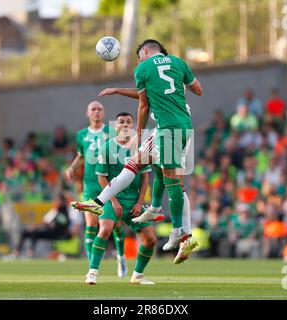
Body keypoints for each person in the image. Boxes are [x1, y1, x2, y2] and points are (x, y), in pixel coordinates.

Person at [72, 39, 201, 264]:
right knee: (137, 163)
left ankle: (182, 232)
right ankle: (115, 203)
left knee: (174, 182)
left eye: (139, 55)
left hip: (171, 130)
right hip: (173, 128)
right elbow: (197, 90)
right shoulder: (178, 63)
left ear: (145, 51)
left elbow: (144, 103)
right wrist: (118, 91)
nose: (139, 60)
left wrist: (139, 133)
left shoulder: (143, 68)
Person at [87, 112, 156, 285]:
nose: (125, 125)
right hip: (113, 200)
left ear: (133, 125)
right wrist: (114, 201)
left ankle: (137, 275)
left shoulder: (140, 148)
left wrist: (140, 203)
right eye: (121, 122)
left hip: (134, 202)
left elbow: (146, 178)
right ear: (116, 126)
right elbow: (101, 177)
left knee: (150, 239)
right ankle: (92, 272)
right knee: (104, 229)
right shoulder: (107, 147)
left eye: (129, 122)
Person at [65, 101, 127, 280]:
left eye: (100, 109)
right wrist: (71, 168)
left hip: (109, 183)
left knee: (115, 224)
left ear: (104, 113)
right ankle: (92, 266)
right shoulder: (82, 135)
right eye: (93, 109)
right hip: (90, 185)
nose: (97, 112)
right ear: (87, 113)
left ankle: (121, 256)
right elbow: (81, 156)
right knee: (91, 224)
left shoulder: (111, 131)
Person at [13, 193, 71, 258]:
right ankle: (17, 252)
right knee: (25, 232)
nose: (56, 202)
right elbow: (45, 221)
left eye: (58, 200)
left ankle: (30, 253)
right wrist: (34, 227)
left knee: (35, 233)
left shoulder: (65, 211)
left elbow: (65, 223)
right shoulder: (55, 210)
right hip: (51, 231)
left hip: (58, 233)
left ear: (62, 201)